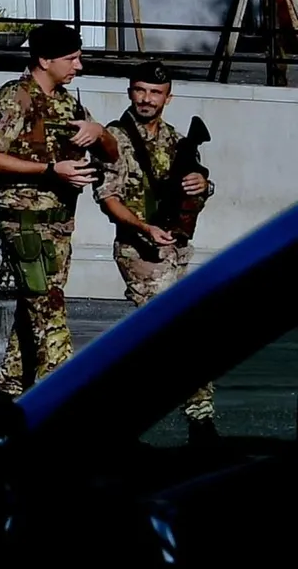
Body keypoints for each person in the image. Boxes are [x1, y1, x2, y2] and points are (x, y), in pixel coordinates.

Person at [0, 20, 116, 401]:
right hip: (25, 223)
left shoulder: (68, 102)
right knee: (48, 306)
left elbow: (113, 152)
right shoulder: (15, 98)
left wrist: (98, 131)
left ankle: (12, 388)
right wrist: (51, 170)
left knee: (35, 303)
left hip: (58, 223)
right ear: (44, 59)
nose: (79, 66)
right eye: (71, 58)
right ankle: (66, 396)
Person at [97, 60, 218, 439]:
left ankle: (188, 416)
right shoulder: (116, 139)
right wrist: (142, 226)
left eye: (155, 92)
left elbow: (194, 184)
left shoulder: (176, 139)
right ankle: (199, 420)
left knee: (168, 336)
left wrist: (203, 183)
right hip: (141, 252)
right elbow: (108, 198)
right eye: (140, 90)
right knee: (174, 335)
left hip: (176, 249)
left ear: (169, 96)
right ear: (129, 91)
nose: (147, 99)